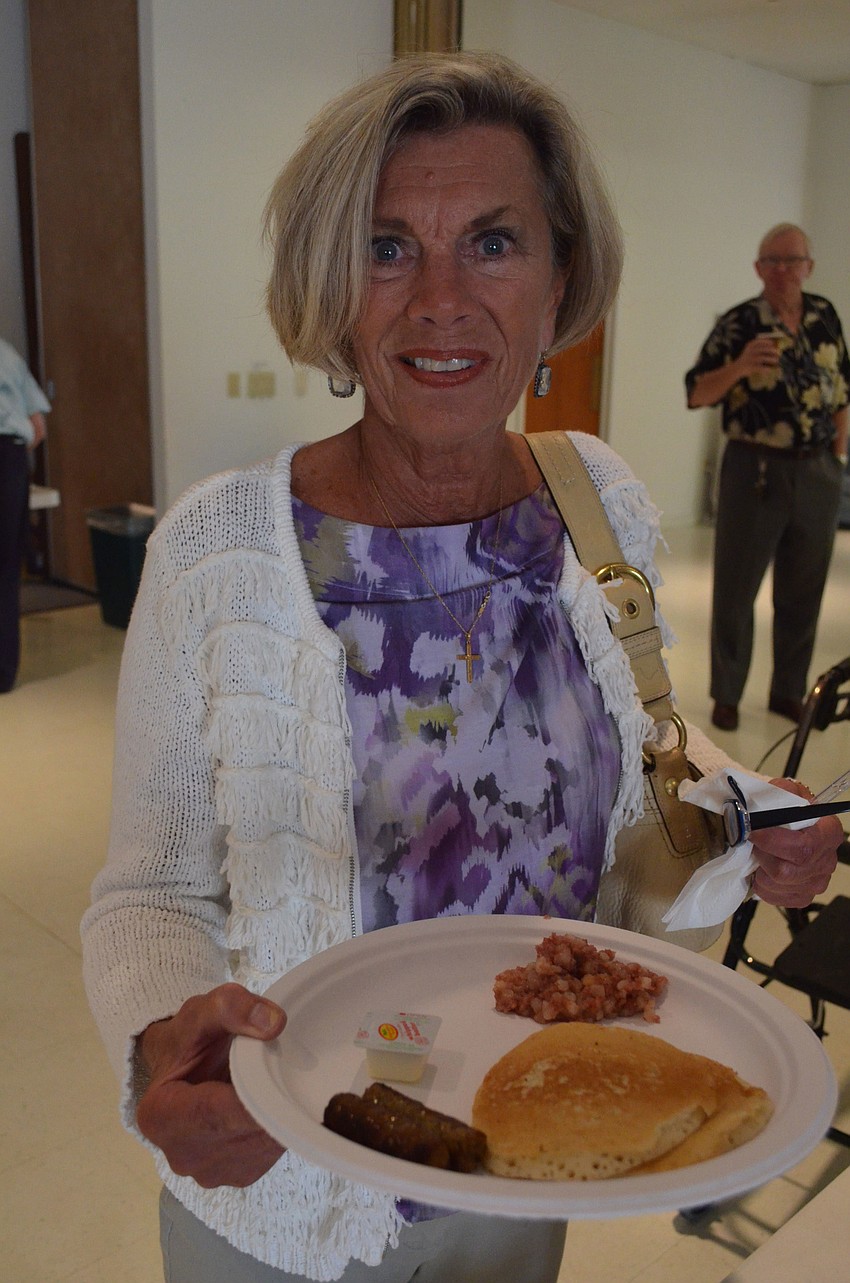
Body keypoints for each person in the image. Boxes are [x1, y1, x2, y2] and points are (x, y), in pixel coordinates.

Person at [81, 55, 843, 1283]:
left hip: (529, 1146)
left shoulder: (600, 501)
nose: (442, 298)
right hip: (288, 1189)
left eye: (493, 243)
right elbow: (147, 892)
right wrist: (161, 1043)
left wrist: (750, 811)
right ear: (331, 286)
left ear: (559, 282)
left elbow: (640, 740)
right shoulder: (219, 552)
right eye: (387, 248)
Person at [685, 224, 850, 732]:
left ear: (809, 266)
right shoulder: (739, 324)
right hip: (753, 470)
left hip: (818, 470)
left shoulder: (825, 315)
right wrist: (738, 367)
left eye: (791, 260)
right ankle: (727, 693)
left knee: (804, 588)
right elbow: (695, 393)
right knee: (737, 587)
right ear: (758, 269)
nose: (782, 270)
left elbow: (843, 387)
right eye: (771, 261)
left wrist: (839, 455)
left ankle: (788, 691)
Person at [0, 337, 49, 693]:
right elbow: (38, 429)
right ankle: (4, 672)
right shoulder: (7, 354)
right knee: (6, 567)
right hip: (11, 459)